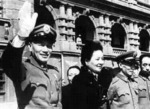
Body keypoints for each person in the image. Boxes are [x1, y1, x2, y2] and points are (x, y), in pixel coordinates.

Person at [2, 1, 61, 109]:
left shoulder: (55, 72)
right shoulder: (23, 69)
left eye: (48, 46)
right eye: (40, 44)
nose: (45, 49)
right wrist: (21, 36)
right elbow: (8, 62)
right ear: (30, 46)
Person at [71, 40, 107, 109]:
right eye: (97, 59)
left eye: (102, 59)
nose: (101, 62)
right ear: (87, 61)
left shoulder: (104, 78)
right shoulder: (79, 81)